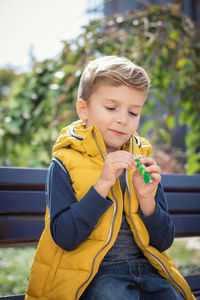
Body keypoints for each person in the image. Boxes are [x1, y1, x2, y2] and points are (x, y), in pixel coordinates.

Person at [25, 56, 195, 300]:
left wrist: (147, 199)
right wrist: (103, 183)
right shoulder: (65, 162)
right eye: (111, 108)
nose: (123, 119)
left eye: (133, 112)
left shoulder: (140, 159)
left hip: (147, 269)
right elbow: (65, 237)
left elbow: (163, 241)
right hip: (94, 275)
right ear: (83, 109)